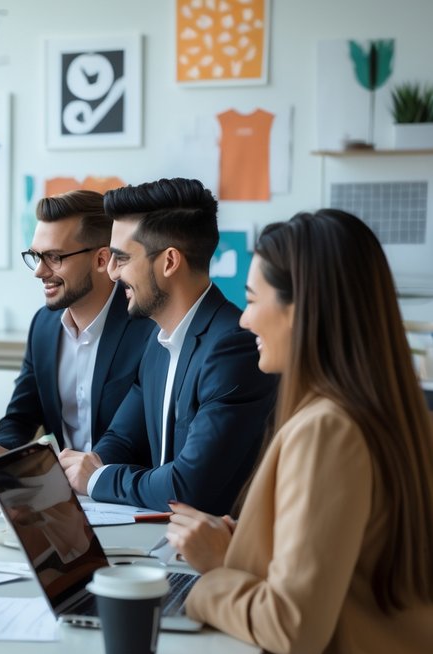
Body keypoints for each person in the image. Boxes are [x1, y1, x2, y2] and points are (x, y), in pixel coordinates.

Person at [48, 209, 433, 654]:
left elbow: (293, 626)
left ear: (305, 309)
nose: (244, 316)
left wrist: (209, 581)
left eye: (255, 299)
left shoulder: (328, 430)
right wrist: (236, 558)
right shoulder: (384, 414)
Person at [58, 178, 276, 514]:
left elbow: (188, 487)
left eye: (121, 258)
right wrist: (81, 468)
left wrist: (97, 478)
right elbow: (122, 438)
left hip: (212, 554)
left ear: (170, 262)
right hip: (162, 539)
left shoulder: (233, 348)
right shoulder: (157, 341)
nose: (112, 273)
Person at [0, 190, 154, 476]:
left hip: (121, 497)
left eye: (54, 257)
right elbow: (20, 418)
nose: (39, 271)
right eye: (36, 256)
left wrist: (21, 465)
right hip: (58, 499)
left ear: (101, 259)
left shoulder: (147, 328)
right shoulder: (43, 326)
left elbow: (124, 443)